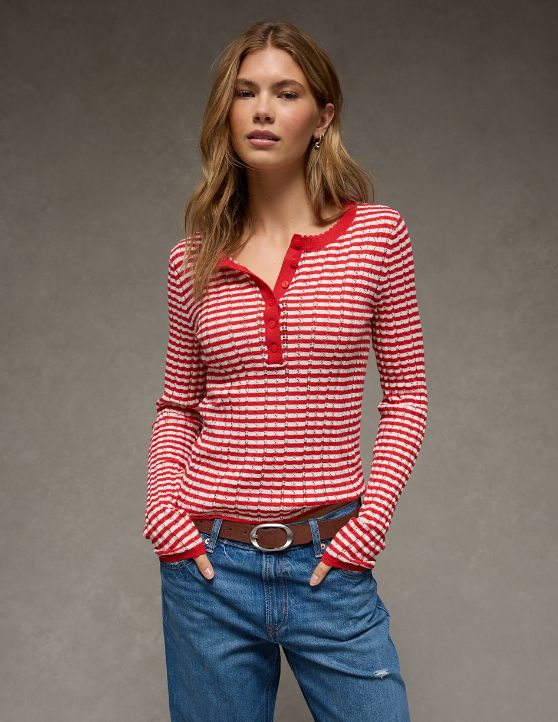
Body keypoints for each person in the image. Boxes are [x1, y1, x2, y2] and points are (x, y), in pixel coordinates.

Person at [143, 19, 428, 722]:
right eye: (245, 93)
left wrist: (368, 524)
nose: (263, 110)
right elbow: (178, 405)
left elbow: (407, 396)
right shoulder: (191, 260)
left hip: (329, 559)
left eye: (286, 92)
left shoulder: (377, 237)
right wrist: (163, 509)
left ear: (322, 117)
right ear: (226, 112)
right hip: (207, 565)